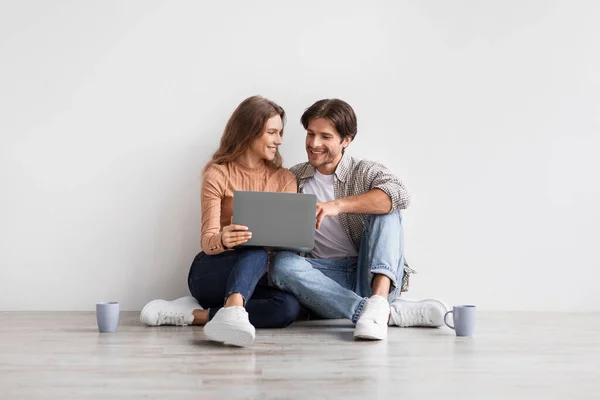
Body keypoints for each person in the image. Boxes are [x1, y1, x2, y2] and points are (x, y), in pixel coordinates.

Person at [269, 99, 448, 341]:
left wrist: (338, 206)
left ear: (346, 140)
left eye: (325, 136)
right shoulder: (294, 177)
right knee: (282, 265)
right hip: (323, 281)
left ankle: (378, 299)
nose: (314, 143)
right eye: (310, 134)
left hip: (369, 271)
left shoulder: (363, 171)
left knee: (388, 209)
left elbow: (399, 194)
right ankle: (379, 313)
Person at [140, 96, 300, 347]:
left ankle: (195, 315)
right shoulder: (218, 173)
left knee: (288, 308)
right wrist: (223, 239)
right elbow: (207, 240)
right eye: (272, 132)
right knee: (255, 248)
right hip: (212, 272)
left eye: (280, 132)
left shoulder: (285, 179)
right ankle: (233, 310)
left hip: (255, 279)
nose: (279, 140)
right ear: (249, 131)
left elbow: (285, 239)